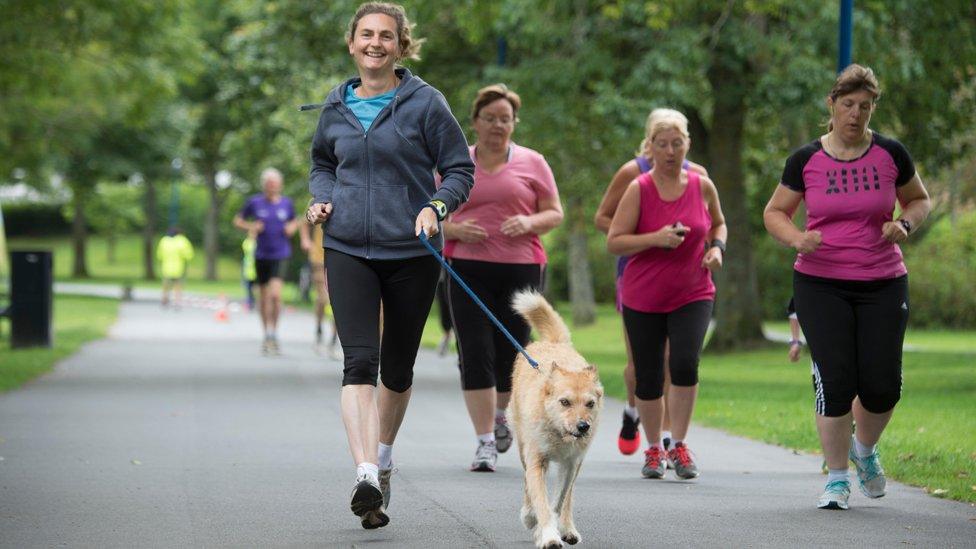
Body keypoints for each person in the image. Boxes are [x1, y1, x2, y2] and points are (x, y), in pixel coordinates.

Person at [306, 2, 473, 530]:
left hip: (411, 251)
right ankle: (366, 472)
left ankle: (384, 454)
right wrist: (323, 198)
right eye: (366, 35)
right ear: (352, 44)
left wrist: (435, 206)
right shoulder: (335, 106)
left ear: (401, 45)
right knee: (358, 363)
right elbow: (322, 165)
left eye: (386, 36)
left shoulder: (425, 103)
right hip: (348, 246)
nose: (375, 43)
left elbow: (459, 169)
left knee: (397, 369)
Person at [764, 64, 930, 510]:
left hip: (883, 280)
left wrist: (905, 223)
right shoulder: (805, 160)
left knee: (882, 386)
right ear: (832, 105)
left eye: (865, 106)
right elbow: (775, 212)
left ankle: (864, 451)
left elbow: (919, 198)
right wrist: (798, 238)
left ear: (873, 108)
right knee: (836, 381)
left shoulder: (891, 154)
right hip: (820, 282)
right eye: (848, 104)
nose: (855, 115)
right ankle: (837, 478)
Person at [441, 84, 563, 472]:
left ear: (514, 123)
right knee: (474, 352)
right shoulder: (455, 161)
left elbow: (554, 213)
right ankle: (484, 442)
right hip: (465, 269)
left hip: (521, 268)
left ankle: (500, 416)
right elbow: (431, 212)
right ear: (475, 122)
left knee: (512, 353)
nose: (498, 125)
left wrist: (529, 221)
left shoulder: (533, 162)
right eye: (490, 118)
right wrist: (454, 229)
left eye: (505, 119)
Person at [606, 108, 727, 480]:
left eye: (677, 143)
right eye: (663, 144)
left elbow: (719, 222)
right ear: (651, 148)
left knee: (685, 364)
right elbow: (614, 241)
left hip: (693, 290)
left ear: (687, 145)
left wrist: (717, 248)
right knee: (648, 376)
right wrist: (655, 239)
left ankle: (680, 444)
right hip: (643, 294)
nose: (671, 151)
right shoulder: (638, 187)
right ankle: (654, 448)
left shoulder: (702, 184)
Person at [233, 168, 299, 355]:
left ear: (280, 185)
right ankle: (266, 335)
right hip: (261, 254)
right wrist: (251, 226)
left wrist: (291, 228)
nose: (272, 187)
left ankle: (274, 332)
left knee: (276, 295)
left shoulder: (287, 204)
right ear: (264, 185)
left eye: (275, 184)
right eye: (269, 184)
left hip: (281, 253)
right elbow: (237, 220)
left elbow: (295, 221)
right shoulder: (254, 202)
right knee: (263, 297)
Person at [299, 214, 341, 359]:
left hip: (343, 257)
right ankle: (319, 331)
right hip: (319, 257)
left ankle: (333, 341)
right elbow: (304, 222)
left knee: (338, 300)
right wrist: (305, 240)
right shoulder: (322, 195)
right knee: (323, 299)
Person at [156, 227, 194, 309]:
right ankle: (177, 301)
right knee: (178, 284)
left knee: (166, 283)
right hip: (178, 267)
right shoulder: (182, 241)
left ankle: (164, 299)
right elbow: (189, 255)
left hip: (166, 266)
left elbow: (159, 255)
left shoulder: (164, 241)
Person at [241, 227, 258, 311]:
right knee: (248, 287)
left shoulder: (259, 242)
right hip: (249, 269)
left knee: (256, 287)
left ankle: (256, 302)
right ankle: (250, 302)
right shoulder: (247, 242)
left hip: (257, 269)